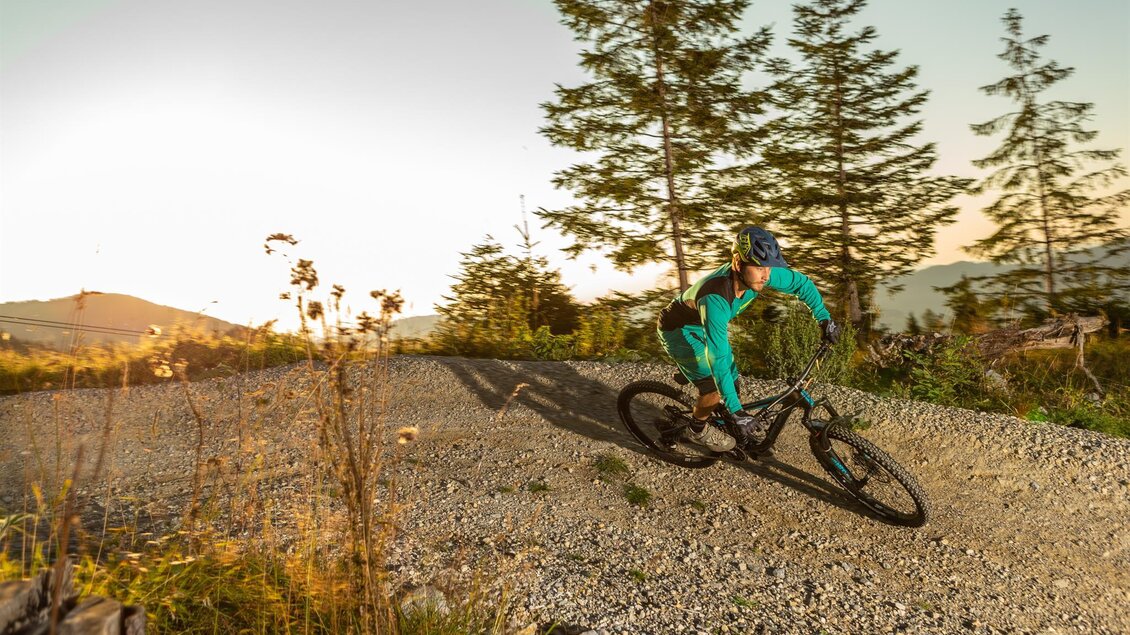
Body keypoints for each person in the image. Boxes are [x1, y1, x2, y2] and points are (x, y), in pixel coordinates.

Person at [656, 226, 840, 452]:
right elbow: (717, 356)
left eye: (770, 267)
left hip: (704, 324)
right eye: (759, 267)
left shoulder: (758, 276)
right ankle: (696, 430)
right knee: (714, 387)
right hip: (680, 331)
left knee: (732, 379)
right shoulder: (716, 297)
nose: (766, 274)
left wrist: (824, 319)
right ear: (737, 263)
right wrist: (736, 410)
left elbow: (801, 284)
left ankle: (725, 417)